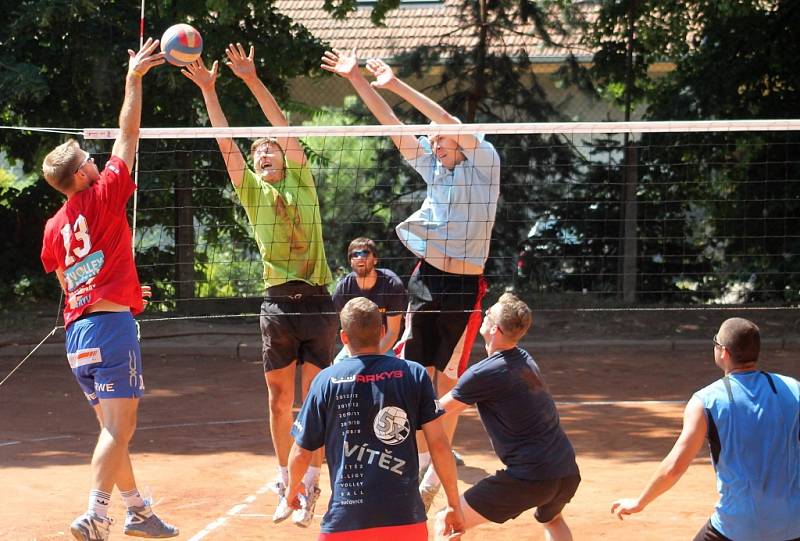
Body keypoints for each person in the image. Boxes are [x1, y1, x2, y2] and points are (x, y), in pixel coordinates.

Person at [321, 49, 501, 505]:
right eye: (433, 142)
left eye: (439, 140)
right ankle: (421, 463)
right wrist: (357, 80)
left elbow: (443, 119)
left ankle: (439, 463)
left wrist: (396, 84)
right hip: (428, 278)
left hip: (465, 284)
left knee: (450, 381)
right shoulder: (436, 169)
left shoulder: (485, 162)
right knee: (417, 372)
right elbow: (394, 128)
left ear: (458, 139)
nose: (434, 145)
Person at [183, 44, 337, 527]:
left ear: (285, 158)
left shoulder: (302, 182)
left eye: (271, 148)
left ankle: (309, 485)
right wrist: (210, 89)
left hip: (317, 300)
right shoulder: (252, 190)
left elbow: (281, 124)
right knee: (278, 399)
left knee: (314, 399)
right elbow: (225, 140)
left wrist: (249, 78)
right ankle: (284, 481)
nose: (266, 152)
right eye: (260, 151)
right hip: (276, 304)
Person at [39, 39, 178, 541]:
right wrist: (133, 79)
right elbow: (129, 134)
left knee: (112, 432)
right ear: (81, 174)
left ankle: (138, 511)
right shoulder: (103, 194)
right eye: (88, 159)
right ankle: (96, 514)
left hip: (77, 335)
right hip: (112, 325)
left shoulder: (54, 225)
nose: (97, 159)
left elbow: (60, 277)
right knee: (119, 431)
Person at [286, 297, 465, 540]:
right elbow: (440, 446)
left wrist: (291, 489)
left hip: (345, 521)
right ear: (382, 332)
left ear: (344, 337)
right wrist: (454, 504)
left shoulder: (325, 380)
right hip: (405, 519)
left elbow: (301, 452)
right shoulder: (414, 374)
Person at [611, 318, 800, 541]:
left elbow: (675, 467)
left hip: (736, 527)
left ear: (723, 352)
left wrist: (639, 502)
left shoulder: (706, 401)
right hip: (793, 525)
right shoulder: (793, 389)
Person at [434, 293, 580, 541]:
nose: (485, 313)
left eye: (489, 313)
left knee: (446, 522)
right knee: (553, 520)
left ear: (495, 329)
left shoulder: (484, 373)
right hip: (566, 472)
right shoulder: (525, 358)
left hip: (531, 476)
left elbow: (436, 412)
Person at [332, 237, 406, 362]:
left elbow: (392, 333)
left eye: (365, 253)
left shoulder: (392, 284)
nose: (360, 257)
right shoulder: (343, 288)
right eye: (355, 254)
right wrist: (356, 359)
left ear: (375, 259)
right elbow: (346, 331)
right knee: (336, 369)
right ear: (350, 262)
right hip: (354, 347)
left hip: (384, 343)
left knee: (391, 372)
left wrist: (371, 358)